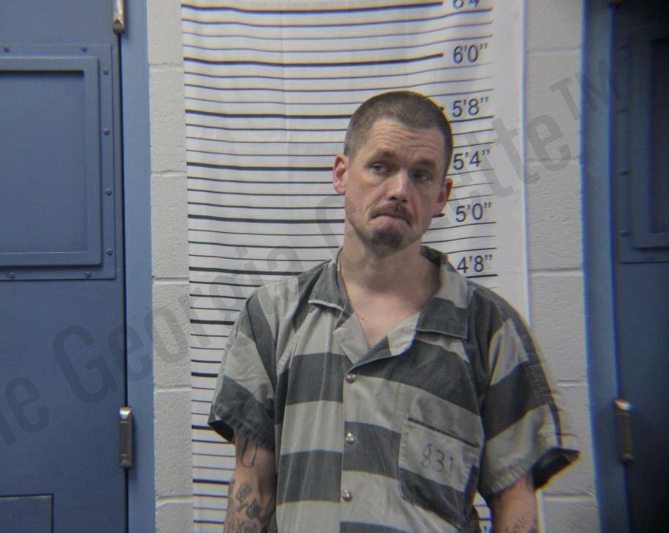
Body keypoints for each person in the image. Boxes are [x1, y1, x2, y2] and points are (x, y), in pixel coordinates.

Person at [209, 91, 578, 533]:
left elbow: (514, 502)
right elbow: (253, 485)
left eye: (421, 175)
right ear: (342, 174)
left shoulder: (488, 328)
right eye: (381, 167)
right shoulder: (271, 317)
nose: (401, 190)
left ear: (441, 196)